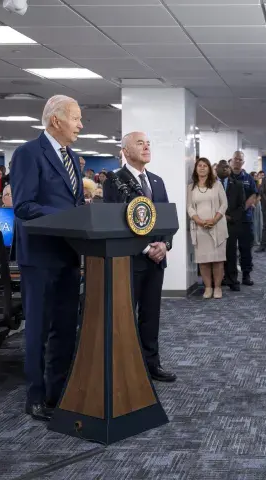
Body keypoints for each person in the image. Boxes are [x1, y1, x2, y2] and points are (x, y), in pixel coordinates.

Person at [11, 95, 85, 421]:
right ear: (56, 120)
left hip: (68, 255)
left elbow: (77, 206)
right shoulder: (28, 153)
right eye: (76, 118)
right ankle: (36, 396)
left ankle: (59, 392)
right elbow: (24, 206)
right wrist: (67, 217)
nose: (81, 125)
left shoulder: (73, 157)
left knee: (66, 329)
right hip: (39, 257)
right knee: (38, 329)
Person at [103, 131, 176, 383]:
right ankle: (125, 367)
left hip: (157, 259)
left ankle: (151, 364)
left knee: (151, 315)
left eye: (148, 143)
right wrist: (146, 247)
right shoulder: (114, 180)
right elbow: (116, 222)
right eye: (139, 143)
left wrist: (164, 245)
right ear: (125, 149)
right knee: (125, 315)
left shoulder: (156, 181)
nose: (146, 147)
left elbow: (167, 220)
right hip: (130, 259)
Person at [188, 157, 228, 299]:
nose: (202, 168)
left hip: (217, 226)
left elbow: (224, 204)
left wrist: (214, 219)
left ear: (210, 169)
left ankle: (217, 288)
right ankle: (208, 288)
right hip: (200, 228)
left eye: (205, 165)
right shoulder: (191, 187)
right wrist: (199, 221)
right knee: (203, 261)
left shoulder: (217, 185)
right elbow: (190, 207)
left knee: (217, 260)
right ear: (196, 168)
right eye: (200, 165)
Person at [217, 160, 246, 292]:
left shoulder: (238, 185)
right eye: (221, 166)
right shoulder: (211, 185)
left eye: (227, 167)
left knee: (231, 252)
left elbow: (241, 205)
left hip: (231, 223)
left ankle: (232, 280)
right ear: (216, 169)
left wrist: (230, 217)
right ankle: (218, 279)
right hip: (214, 222)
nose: (224, 169)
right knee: (215, 253)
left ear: (230, 169)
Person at [229, 151, 257, 286]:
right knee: (230, 250)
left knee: (245, 248)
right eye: (235, 159)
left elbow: (253, 196)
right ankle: (231, 277)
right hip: (229, 220)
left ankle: (246, 275)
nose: (237, 162)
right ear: (231, 160)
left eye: (240, 160)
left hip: (245, 219)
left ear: (243, 162)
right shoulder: (225, 177)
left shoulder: (248, 178)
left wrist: (241, 210)